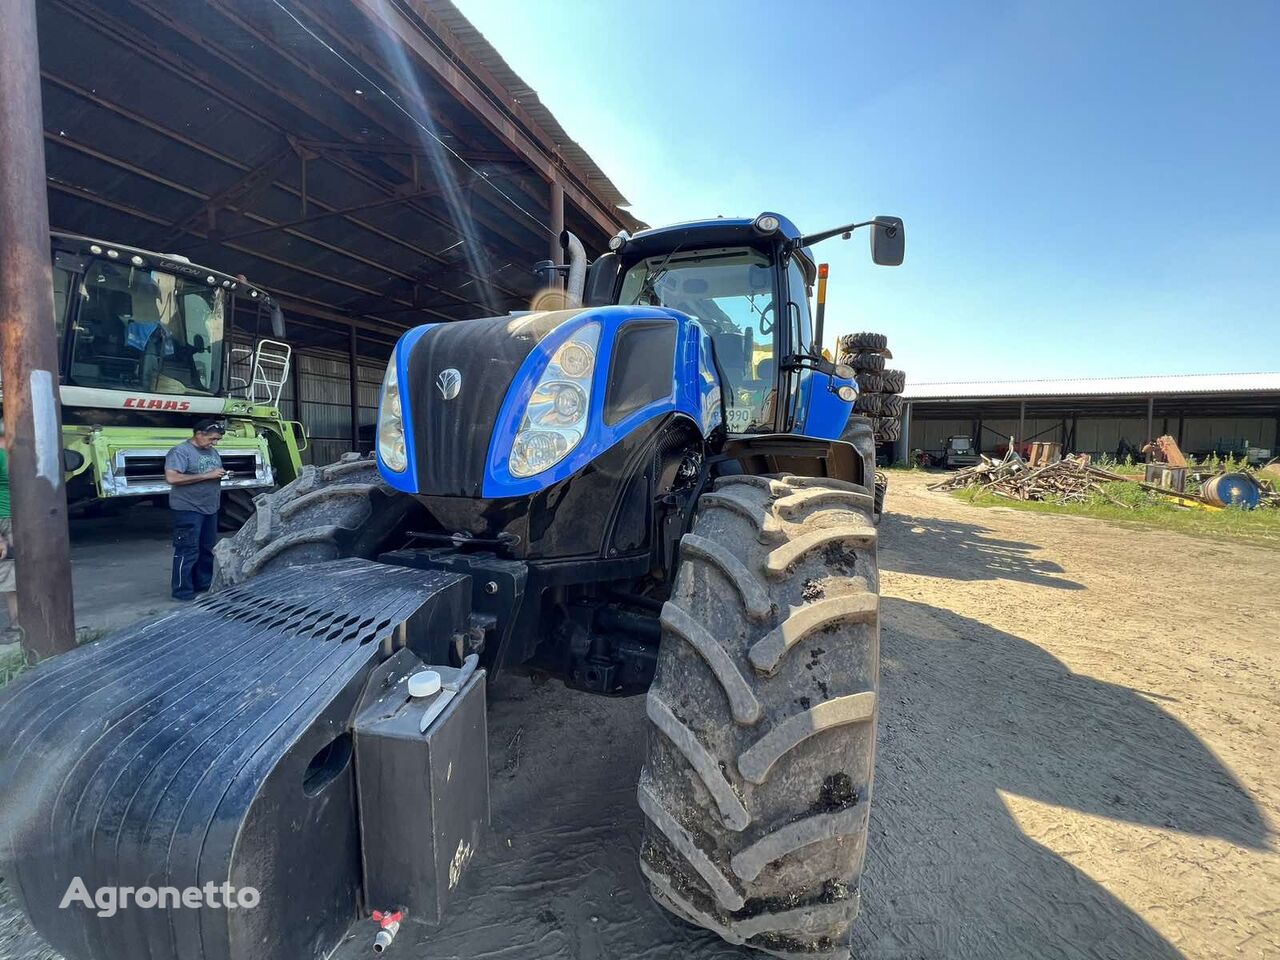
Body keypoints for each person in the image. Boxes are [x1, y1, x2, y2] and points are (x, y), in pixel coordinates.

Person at [165, 420, 227, 600]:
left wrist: (221, 473)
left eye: (217, 440)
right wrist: (207, 475)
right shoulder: (181, 452)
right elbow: (172, 477)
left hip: (209, 507)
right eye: (212, 438)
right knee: (187, 549)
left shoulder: (211, 451)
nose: (215, 443)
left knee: (206, 549)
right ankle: (182, 591)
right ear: (199, 434)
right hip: (188, 508)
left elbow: (212, 471)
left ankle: (203, 585)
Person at [0, 425, 17, 643]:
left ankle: (17, 626)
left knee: (10, 574)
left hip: (14, 520)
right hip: (10, 520)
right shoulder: (13, 451)